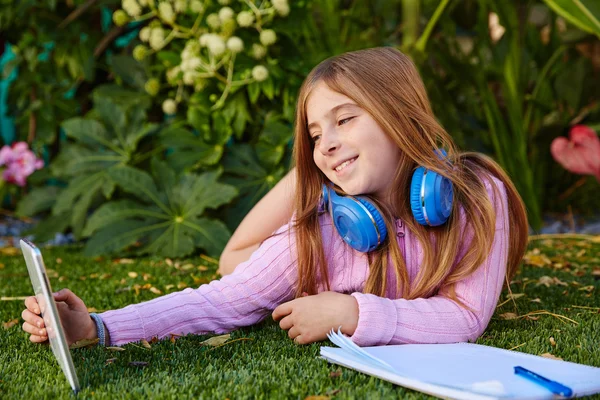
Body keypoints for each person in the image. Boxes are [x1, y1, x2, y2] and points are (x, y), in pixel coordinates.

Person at [22, 47, 528, 347]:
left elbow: (464, 316)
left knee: (242, 262)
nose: (324, 141)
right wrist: (96, 327)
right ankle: (304, 181)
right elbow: (219, 301)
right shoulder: (318, 237)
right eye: (314, 134)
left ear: (403, 117)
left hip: (327, 271)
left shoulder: (481, 196)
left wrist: (351, 313)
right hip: (292, 252)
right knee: (234, 265)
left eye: (345, 119)